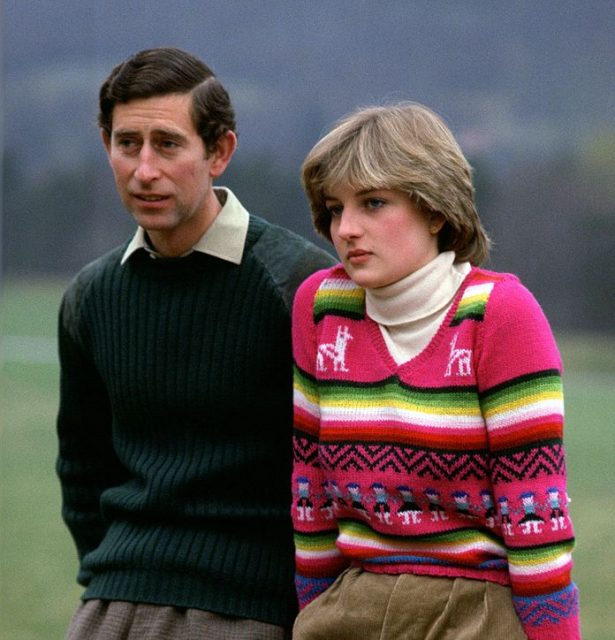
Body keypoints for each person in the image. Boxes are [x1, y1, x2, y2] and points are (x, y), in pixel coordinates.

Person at [56, 47, 334, 640]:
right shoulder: (91, 297)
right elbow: (82, 469)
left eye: (168, 143)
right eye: (127, 144)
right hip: (111, 606)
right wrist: (117, 576)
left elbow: (344, 470)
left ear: (220, 152)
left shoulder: (299, 286)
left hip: (251, 612)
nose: (145, 169)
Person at [291, 102, 581, 639]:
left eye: (373, 203)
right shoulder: (321, 307)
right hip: (350, 608)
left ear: (435, 209)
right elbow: (310, 488)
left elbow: (536, 519)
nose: (347, 228)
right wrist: (313, 612)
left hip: (475, 611)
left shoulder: (500, 315)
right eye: (335, 208)